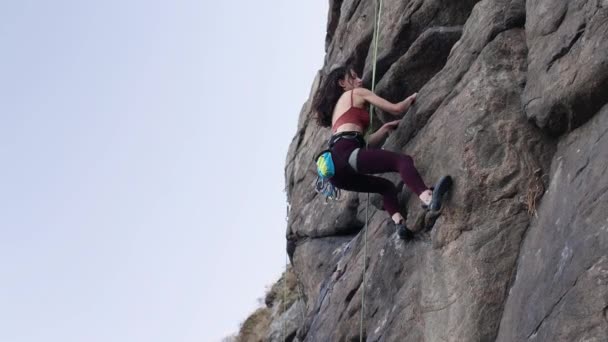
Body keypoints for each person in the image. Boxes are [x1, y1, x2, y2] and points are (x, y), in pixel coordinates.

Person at [312, 65, 441, 240]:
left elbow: (359, 143)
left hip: (336, 171)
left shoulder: (337, 112)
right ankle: (428, 198)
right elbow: (397, 109)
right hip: (346, 155)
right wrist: (412, 98)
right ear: (342, 82)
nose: (360, 80)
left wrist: (384, 129)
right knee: (402, 161)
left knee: (386, 188)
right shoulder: (356, 93)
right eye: (354, 77)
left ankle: (399, 225)